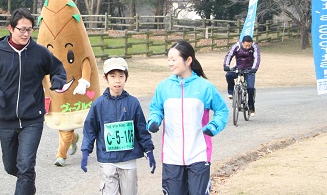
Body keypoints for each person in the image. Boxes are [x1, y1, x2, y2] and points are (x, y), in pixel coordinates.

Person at [0, 8, 67, 195]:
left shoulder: (39, 53)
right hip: (6, 118)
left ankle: (26, 181)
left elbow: (58, 69)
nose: (26, 34)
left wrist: (57, 82)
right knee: (11, 167)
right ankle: (28, 184)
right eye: (22, 29)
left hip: (32, 119)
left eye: (29, 30)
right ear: (11, 28)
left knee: (26, 166)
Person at [147, 41, 229, 195]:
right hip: (171, 157)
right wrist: (154, 120)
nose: (170, 63)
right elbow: (156, 109)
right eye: (169, 59)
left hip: (199, 154)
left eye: (174, 59)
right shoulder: (164, 87)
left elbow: (222, 111)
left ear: (188, 60)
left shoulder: (205, 87)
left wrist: (213, 126)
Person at [80, 57, 155, 195]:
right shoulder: (98, 104)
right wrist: (85, 151)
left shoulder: (133, 103)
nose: (117, 80)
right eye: (113, 76)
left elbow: (141, 130)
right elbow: (90, 129)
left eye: (121, 76)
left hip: (129, 160)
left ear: (126, 77)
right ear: (105, 78)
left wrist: (149, 150)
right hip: (107, 160)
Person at [223, 35, 261, 115]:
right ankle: (231, 92)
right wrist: (226, 65)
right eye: (246, 45)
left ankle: (251, 107)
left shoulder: (254, 47)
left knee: (250, 88)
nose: (247, 47)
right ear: (242, 43)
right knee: (228, 75)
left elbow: (257, 58)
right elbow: (229, 55)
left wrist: (254, 68)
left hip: (250, 69)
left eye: (249, 46)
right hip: (238, 68)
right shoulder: (236, 46)